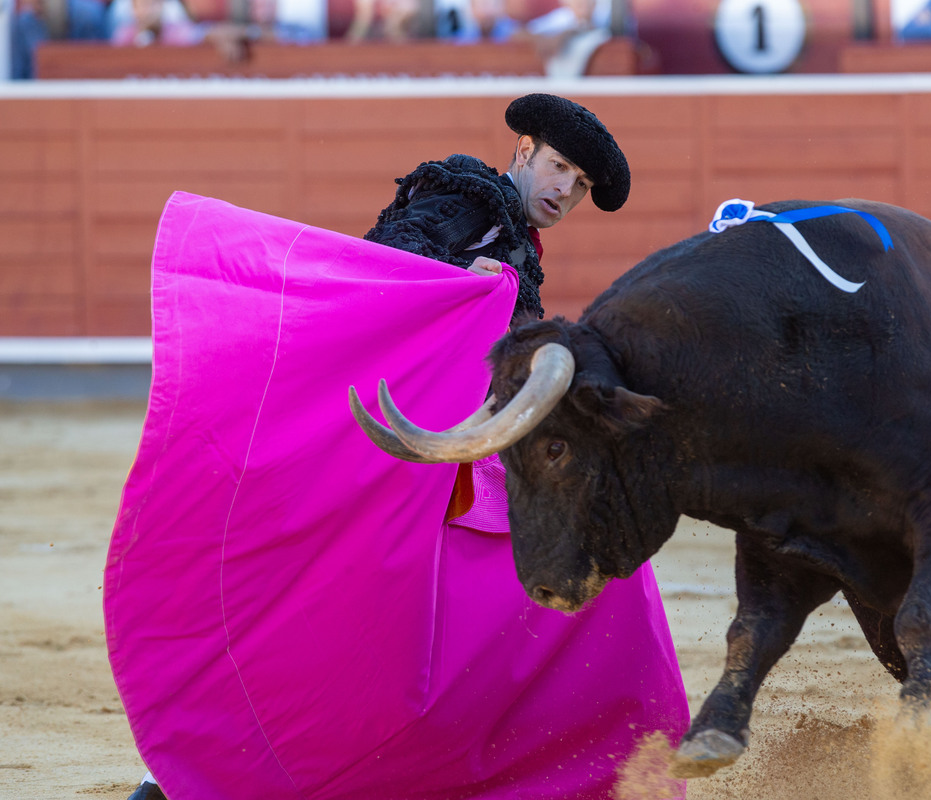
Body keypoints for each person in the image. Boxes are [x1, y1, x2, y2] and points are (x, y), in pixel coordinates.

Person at [118, 94, 688, 800]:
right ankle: (177, 773)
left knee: (374, 617)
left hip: (427, 451)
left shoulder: (512, 239)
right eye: (559, 167)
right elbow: (384, 262)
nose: (564, 190)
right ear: (524, 153)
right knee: (353, 611)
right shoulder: (465, 199)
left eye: (579, 185)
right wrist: (454, 284)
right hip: (380, 448)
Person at [9, 0, 108, 80]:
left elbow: (100, 69)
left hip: (84, 94)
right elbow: (18, 76)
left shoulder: (89, 16)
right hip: (37, 96)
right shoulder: (23, 24)